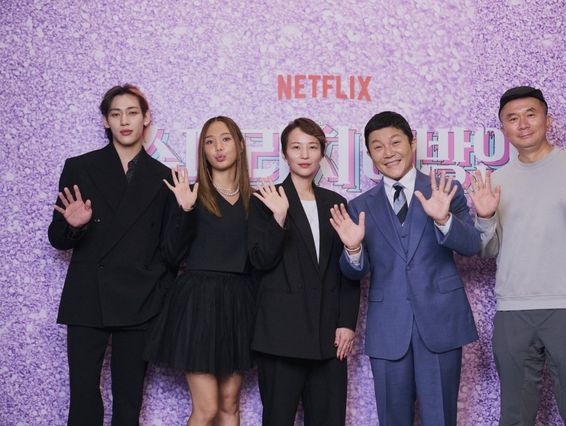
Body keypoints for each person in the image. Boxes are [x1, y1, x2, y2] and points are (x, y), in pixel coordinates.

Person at [468, 86, 566, 425]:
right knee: (515, 415)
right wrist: (485, 217)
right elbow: (488, 250)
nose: (522, 124)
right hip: (513, 310)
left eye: (530, 114)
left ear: (548, 120)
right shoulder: (496, 182)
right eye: (512, 118)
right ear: (503, 128)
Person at [48, 84, 194, 425]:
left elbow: (173, 253)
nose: (124, 121)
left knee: (129, 401)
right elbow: (57, 238)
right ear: (105, 121)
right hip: (88, 296)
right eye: (116, 114)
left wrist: (186, 212)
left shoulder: (166, 178)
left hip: (141, 299)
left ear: (146, 118)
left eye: (132, 113)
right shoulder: (80, 167)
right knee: (83, 399)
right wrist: (75, 226)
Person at [329, 111, 480, 426]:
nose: (388, 152)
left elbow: (471, 245)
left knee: (441, 419)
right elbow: (354, 272)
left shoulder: (444, 189)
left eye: (395, 142)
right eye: (378, 146)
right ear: (370, 155)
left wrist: (443, 219)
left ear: (412, 143)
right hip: (388, 328)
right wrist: (353, 249)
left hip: (440, 322)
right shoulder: (360, 206)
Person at [248, 117, 360, 426]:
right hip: (280, 335)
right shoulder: (265, 198)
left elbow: (345, 269)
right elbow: (259, 260)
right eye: (296, 147)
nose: (305, 154)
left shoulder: (335, 203)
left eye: (312, 147)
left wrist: (346, 322)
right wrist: (279, 218)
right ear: (284, 153)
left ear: (322, 153)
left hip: (328, 335)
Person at [144, 116, 255, 426]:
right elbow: (171, 254)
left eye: (225, 139)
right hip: (198, 303)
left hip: (237, 304)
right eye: (209, 141)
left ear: (240, 145)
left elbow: (262, 258)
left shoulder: (256, 200)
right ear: (202, 150)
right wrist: (185, 210)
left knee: (230, 404)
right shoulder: (189, 194)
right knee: (206, 409)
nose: (218, 147)